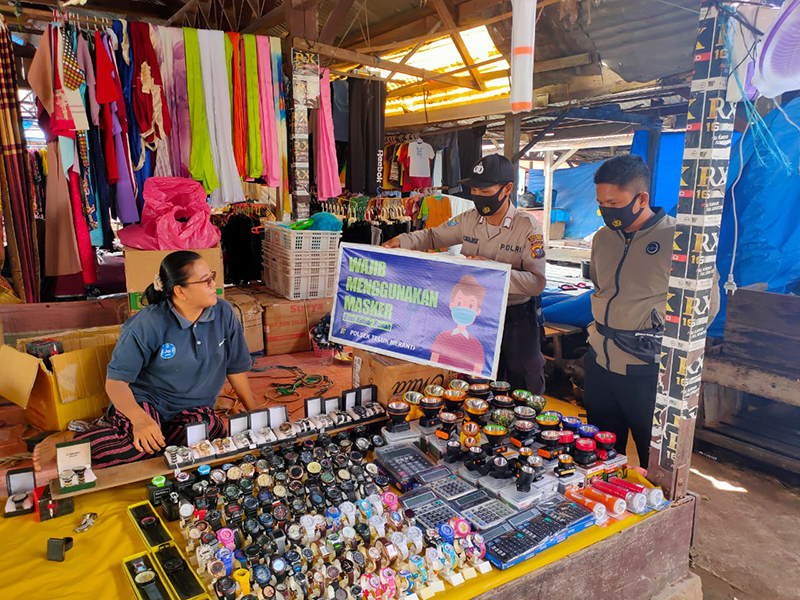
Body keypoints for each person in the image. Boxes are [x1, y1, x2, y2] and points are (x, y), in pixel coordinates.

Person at [33, 251, 258, 470]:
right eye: (205, 280)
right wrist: (140, 421)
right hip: (146, 403)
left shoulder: (224, 313)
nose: (213, 285)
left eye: (212, 276)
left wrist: (253, 412)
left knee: (212, 434)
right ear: (180, 291)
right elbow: (116, 383)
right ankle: (70, 438)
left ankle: (134, 434)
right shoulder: (147, 324)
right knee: (137, 448)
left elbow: (235, 368)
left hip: (191, 408)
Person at [585, 154, 719, 468]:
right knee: (599, 458)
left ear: (642, 198)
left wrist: (659, 334)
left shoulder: (680, 239)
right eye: (601, 202)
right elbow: (600, 286)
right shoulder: (603, 238)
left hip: (648, 373)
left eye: (614, 202)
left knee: (655, 464)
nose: (606, 210)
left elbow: (706, 307)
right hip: (599, 364)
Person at [383, 154, 547, 393]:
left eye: (485, 190)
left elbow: (537, 283)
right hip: (475, 317)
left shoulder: (527, 227)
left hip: (516, 317)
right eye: (474, 190)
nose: (478, 197)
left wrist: (492, 272)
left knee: (521, 382)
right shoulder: (469, 219)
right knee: (476, 381)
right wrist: (402, 241)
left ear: (507, 189)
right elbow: (432, 236)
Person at [431, 275, 487, 373]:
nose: (464, 309)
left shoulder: (476, 345)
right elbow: (432, 366)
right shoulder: (442, 337)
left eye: (470, 305)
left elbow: (478, 372)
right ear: (451, 305)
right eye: (460, 303)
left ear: (477, 311)